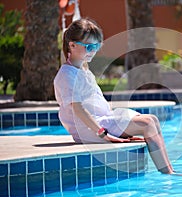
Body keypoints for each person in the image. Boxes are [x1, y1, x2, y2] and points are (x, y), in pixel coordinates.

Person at [53, 18, 174, 174]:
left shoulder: (82, 68)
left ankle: (169, 170)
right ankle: (168, 176)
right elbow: (78, 109)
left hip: (103, 119)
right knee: (147, 124)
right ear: (72, 44)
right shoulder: (66, 75)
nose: (93, 51)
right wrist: (103, 134)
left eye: (96, 46)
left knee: (152, 120)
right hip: (91, 128)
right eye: (89, 46)